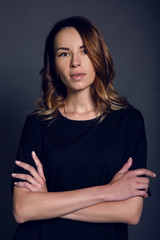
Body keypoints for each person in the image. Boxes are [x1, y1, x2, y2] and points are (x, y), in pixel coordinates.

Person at [11, 16, 156, 240]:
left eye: (84, 50)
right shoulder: (37, 124)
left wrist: (46, 202)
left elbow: (130, 212)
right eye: (64, 53)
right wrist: (108, 192)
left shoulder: (129, 122)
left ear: (98, 56)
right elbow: (22, 210)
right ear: (54, 65)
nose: (75, 62)